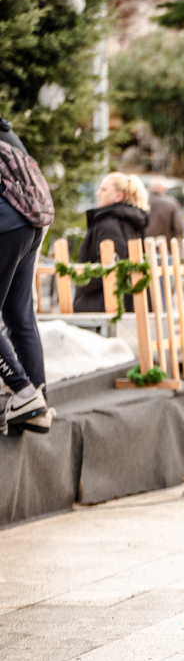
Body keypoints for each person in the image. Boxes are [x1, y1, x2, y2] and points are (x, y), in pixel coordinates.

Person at [0, 117, 50, 433]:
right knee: (19, 316)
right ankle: (38, 403)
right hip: (30, 223)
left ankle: (24, 392)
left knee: (18, 316)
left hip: (5, 224)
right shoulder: (6, 131)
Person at [74, 173, 149, 314]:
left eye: (103, 189)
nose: (98, 193)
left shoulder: (107, 223)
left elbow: (112, 261)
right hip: (130, 301)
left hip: (104, 302)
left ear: (118, 196)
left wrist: (83, 282)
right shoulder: (133, 220)